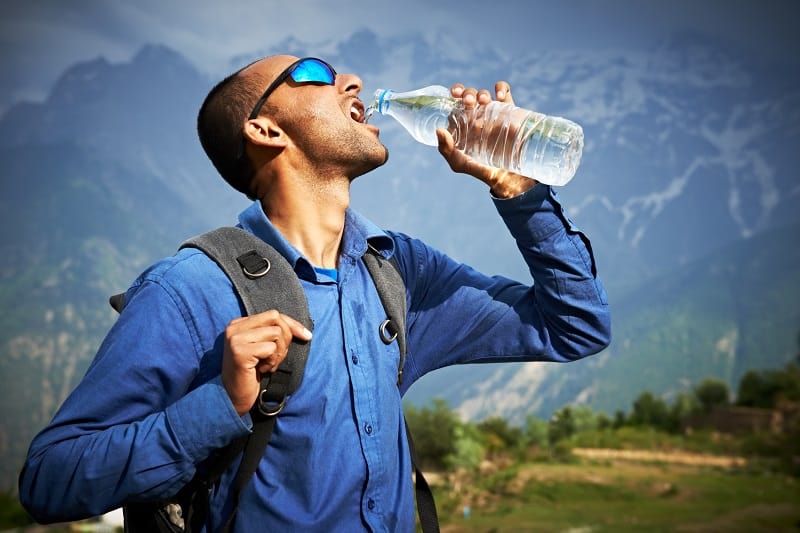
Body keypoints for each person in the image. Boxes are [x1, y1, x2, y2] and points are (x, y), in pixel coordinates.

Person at [19, 55, 611, 532]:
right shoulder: (189, 289)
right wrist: (220, 403)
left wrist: (518, 190)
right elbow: (49, 481)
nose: (352, 79)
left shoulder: (397, 271)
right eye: (313, 74)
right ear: (265, 129)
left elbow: (576, 326)